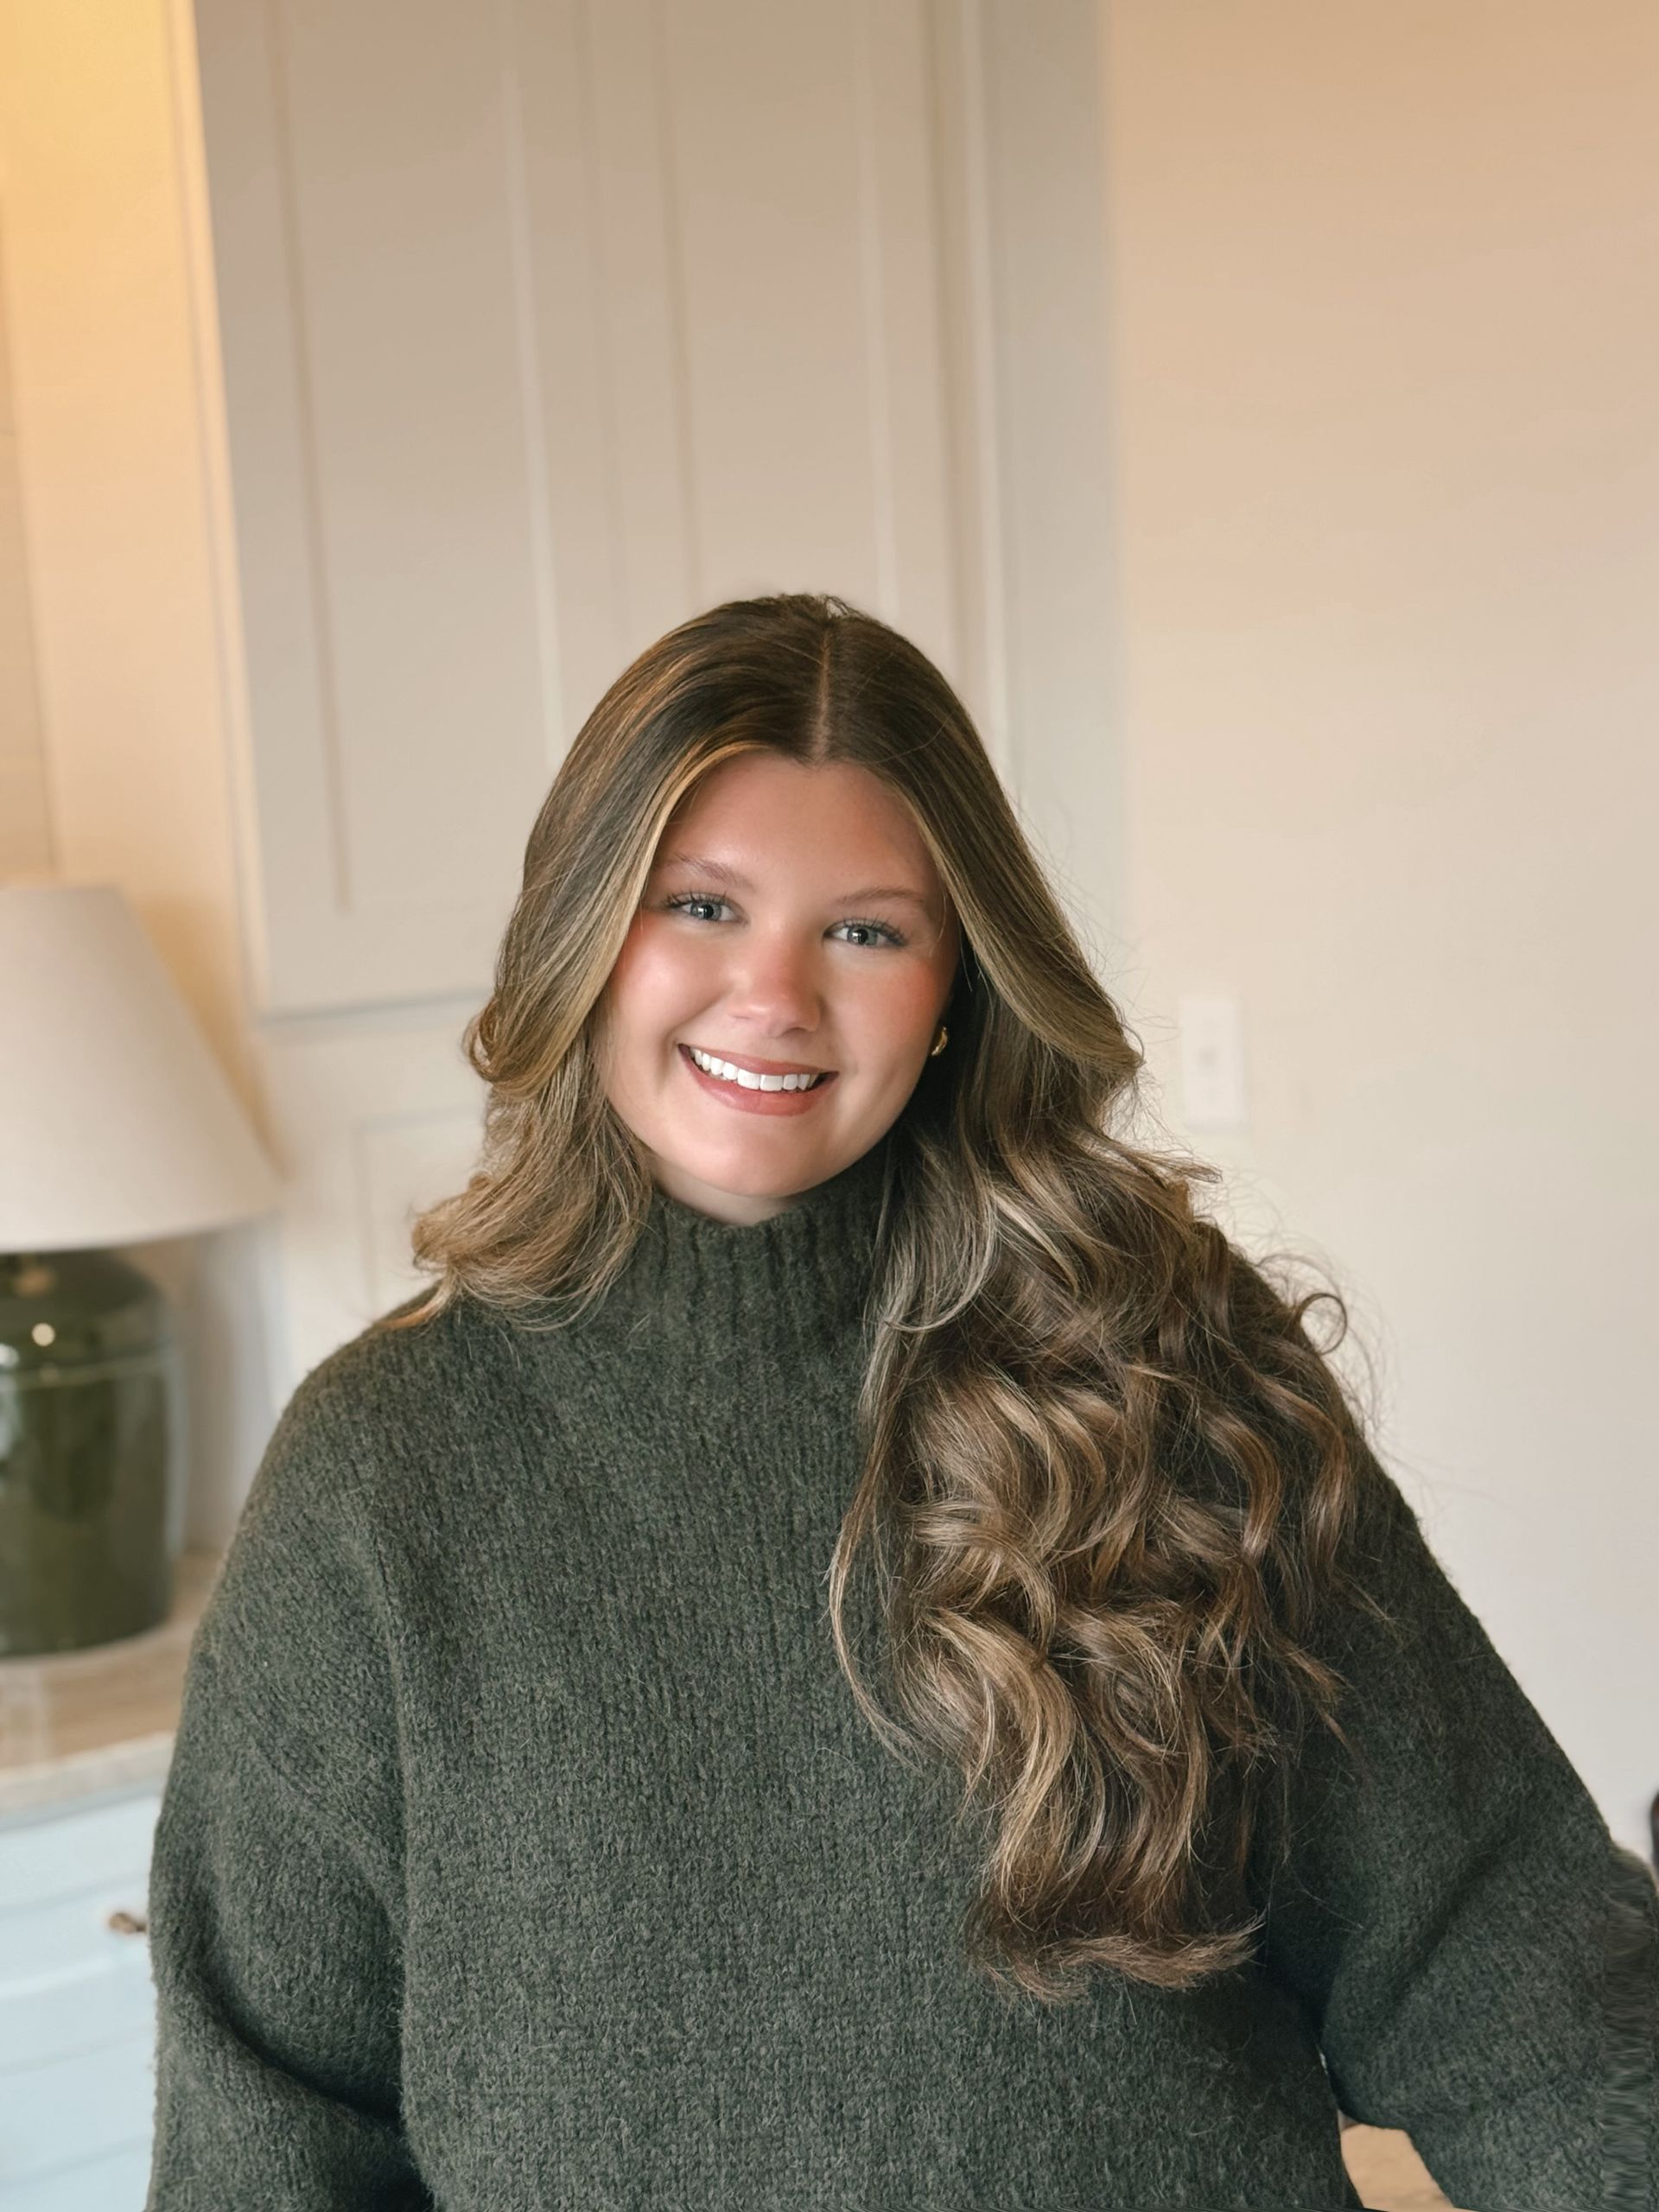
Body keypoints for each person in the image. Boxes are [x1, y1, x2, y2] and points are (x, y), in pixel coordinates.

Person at [143, 592, 1658, 2210]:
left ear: (955, 988)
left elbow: (1506, 1968)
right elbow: (266, 2145)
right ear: (587, 934)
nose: (776, 996)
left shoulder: (1157, 1365)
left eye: (865, 929)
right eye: (701, 907)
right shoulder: (384, 1475)